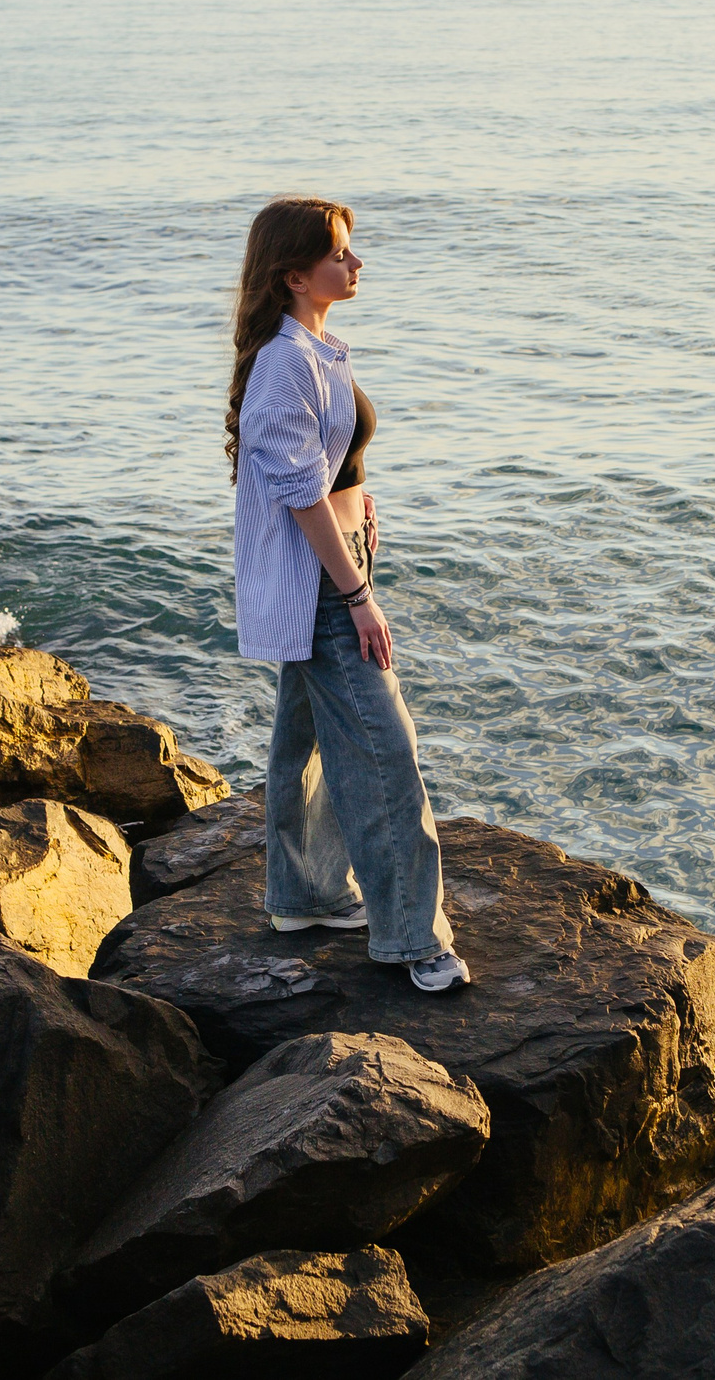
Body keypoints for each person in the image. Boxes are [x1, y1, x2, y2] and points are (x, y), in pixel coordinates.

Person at [226, 196, 469, 993]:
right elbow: (300, 496)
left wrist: (362, 505)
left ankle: (306, 895)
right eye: (339, 253)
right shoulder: (285, 363)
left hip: (339, 557)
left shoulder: (314, 348)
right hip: (328, 578)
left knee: (305, 740)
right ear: (294, 275)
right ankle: (413, 940)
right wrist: (357, 591)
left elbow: (325, 466)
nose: (356, 262)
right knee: (383, 754)